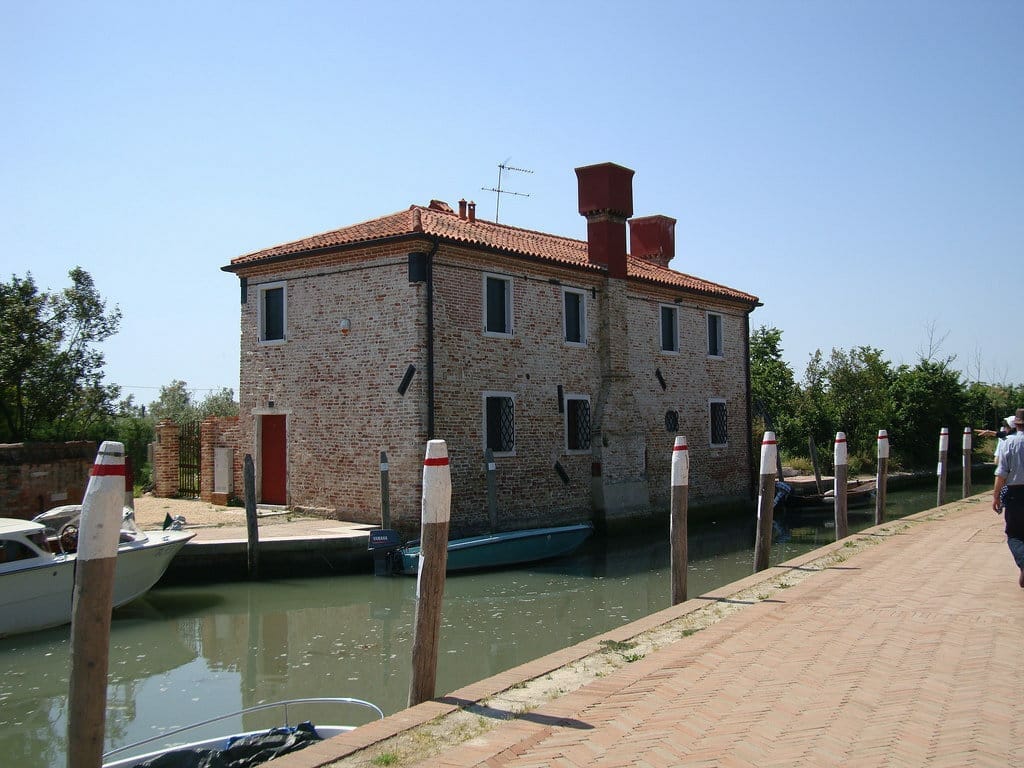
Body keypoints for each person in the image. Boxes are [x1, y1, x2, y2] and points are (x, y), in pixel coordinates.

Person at [993, 408, 1024, 587]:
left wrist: (996, 496)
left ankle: (1023, 562)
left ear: (1016, 425)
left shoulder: (1008, 443)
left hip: (1015, 493)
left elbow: (1001, 473)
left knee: (1014, 534)